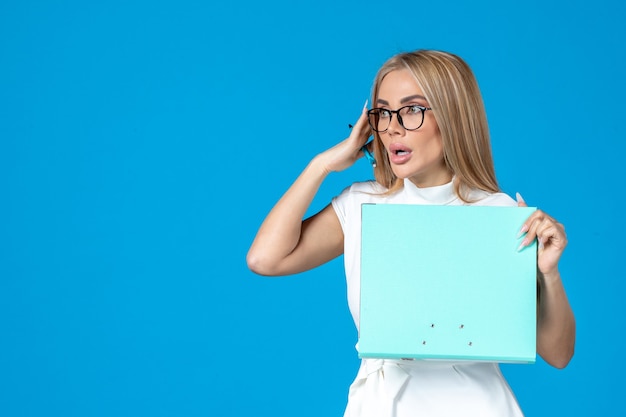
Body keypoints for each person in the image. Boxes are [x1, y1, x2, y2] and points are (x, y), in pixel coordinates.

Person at [246, 49, 575, 417]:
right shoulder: (361, 205)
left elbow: (558, 354)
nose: (392, 127)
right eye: (383, 112)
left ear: (451, 117)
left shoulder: (498, 214)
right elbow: (265, 258)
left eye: (412, 109)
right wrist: (321, 164)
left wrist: (549, 272)